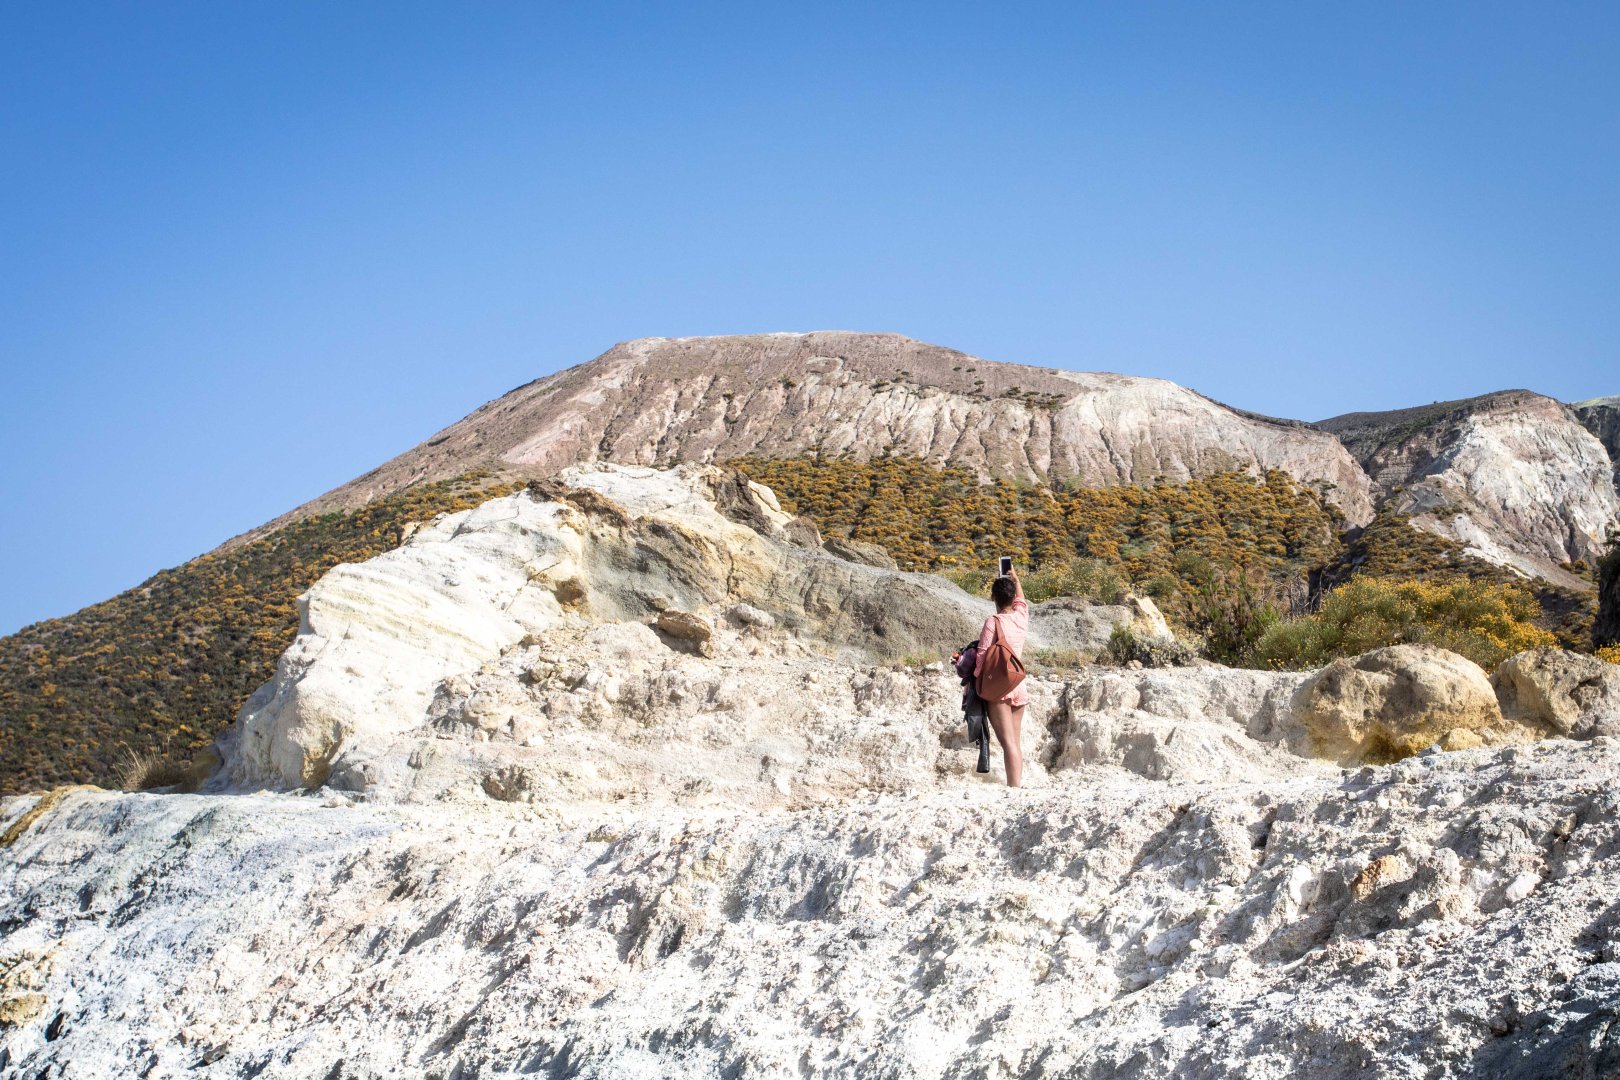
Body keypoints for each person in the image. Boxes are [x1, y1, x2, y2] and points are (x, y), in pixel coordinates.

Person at [973, 566, 1028, 787]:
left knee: (1008, 744)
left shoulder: (993, 621)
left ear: (994, 597)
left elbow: (982, 656)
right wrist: (1016, 579)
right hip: (1018, 684)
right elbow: (1022, 601)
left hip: (999, 688)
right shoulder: (1021, 617)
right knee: (1015, 742)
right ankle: (1017, 786)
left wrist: (975, 679)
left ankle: (1014, 789)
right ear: (1012, 597)